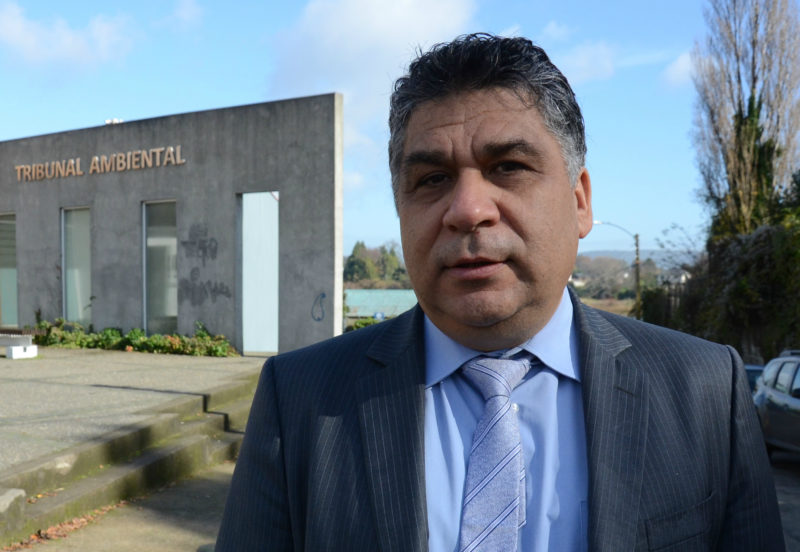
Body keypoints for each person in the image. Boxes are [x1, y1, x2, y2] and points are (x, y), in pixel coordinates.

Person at [216, 33, 784, 551]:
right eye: (432, 179)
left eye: (508, 166)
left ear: (580, 202)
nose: (467, 210)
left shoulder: (706, 391)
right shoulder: (300, 400)